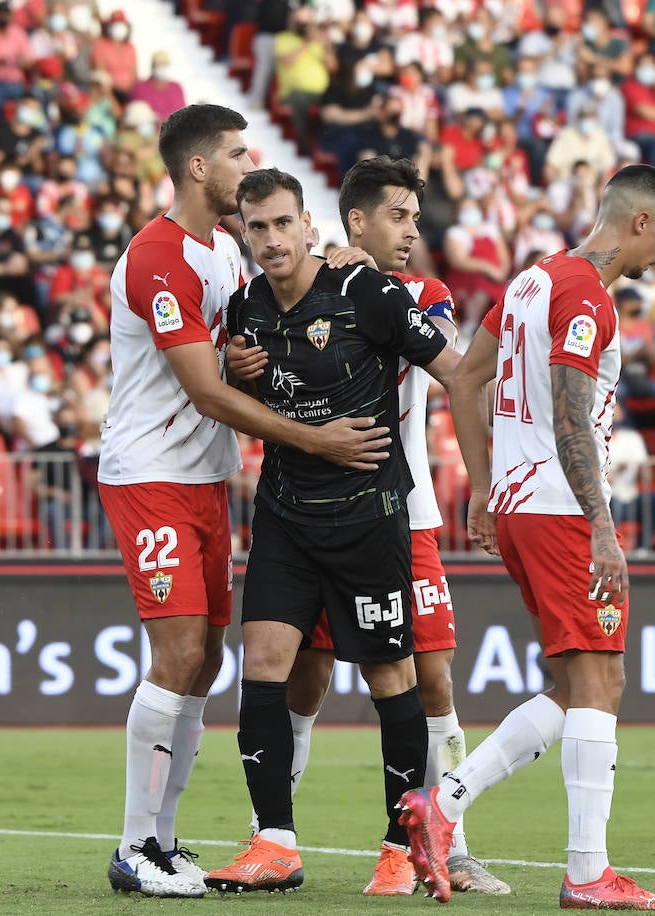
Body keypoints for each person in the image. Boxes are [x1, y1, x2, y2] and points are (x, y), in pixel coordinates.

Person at [100, 104, 390, 899]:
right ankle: (134, 846)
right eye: (235, 152)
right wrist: (316, 439)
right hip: (151, 474)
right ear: (200, 168)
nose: (245, 161)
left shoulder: (225, 250)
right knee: (181, 655)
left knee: (203, 665)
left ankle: (162, 840)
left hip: (203, 480)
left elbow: (253, 339)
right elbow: (204, 390)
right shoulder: (159, 256)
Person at [398, 164, 655, 909]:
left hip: (524, 504)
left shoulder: (530, 281)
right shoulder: (588, 294)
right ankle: (588, 873)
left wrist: (489, 486)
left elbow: (463, 379)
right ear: (640, 223)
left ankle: (444, 804)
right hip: (561, 509)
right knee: (600, 682)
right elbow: (571, 412)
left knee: (574, 683)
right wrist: (602, 527)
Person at [225, 156, 508, 896]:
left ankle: (413, 844)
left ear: (310, 225)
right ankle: (274, 841)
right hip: (286, 516)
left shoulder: (378, 292)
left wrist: (486, 481)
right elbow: (237, 383)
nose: (272, 237)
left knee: (407, 676)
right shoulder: (246, 305)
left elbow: (456, 365)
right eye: (258, 227)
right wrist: (233, 368)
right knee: (277, 668)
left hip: (378, 514)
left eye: (285, 222)